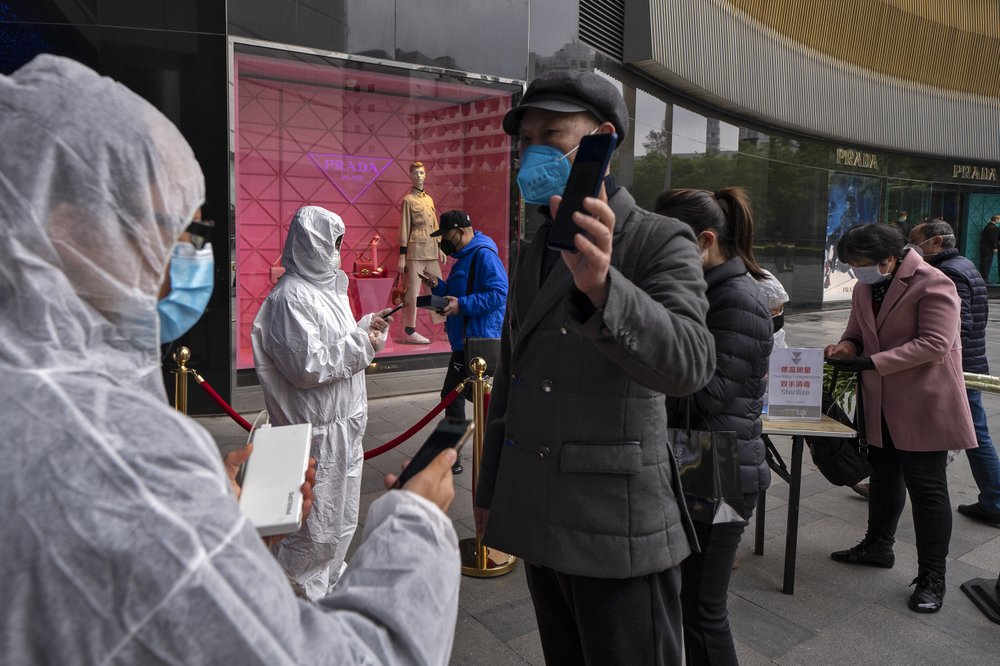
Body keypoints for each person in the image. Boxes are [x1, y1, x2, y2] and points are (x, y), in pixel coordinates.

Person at [0, 54, 461, 664]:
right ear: (64, 225)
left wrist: (221, 521)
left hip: (342, 429)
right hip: (320, 430)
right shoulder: (113, 449)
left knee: (331, 537)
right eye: (172, 230)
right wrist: (418, 526)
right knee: (314, 543)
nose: (188, 257)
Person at [473, 69, 716, 664]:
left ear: (603, 139)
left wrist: (606, 288)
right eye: (525, 138)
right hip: (538, 517)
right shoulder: (533, 248)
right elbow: (513, 378)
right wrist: (490, 490)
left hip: (618, 529)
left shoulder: (659, 238)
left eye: (553, 133)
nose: (534, 152)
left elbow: (691, 361)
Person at [824, 224, 976, 614]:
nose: (856, 272)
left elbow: (936, 343)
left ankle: (931, 578)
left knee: (927, 489)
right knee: (885, 476)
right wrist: (845, 347)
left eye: (860, 264)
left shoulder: (933, 282)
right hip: (880, 401)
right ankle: (878, 545)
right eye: (852, 265)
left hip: (924, 400)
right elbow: (857, 330)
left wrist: (873, 362)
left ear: (888, 258)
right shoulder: (864, 287)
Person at [655, 187, 773, 666]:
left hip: (717, 464)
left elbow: (708, 393)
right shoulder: (707, 289)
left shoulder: (737, 299)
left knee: (702, 610)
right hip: (693, 453)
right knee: (685, 603)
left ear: (704, 241)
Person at [252, 205, 395, 600]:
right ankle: (298, 602)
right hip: (314, 436)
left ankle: (328, 587)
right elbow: (307, 366)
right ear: (311, 244)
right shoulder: (290, 298)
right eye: (332, 243)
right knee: (311, 531)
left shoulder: (327, 290)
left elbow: (339, 345)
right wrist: (360, 343)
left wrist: (366, 329)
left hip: (343, 426)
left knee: (341, 521)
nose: (337, 251)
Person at [909, 220, 1000, 526]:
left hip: (957, 367)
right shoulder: (965, 265)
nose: (911, 248)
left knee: (973, 433)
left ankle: (996, 498)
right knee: (973, 432)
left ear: (935, 242)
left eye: (915, 241)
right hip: (969, 361)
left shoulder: (948, 272)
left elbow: (956, 325)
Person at [419, 209, 508, 473]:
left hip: (477, 338)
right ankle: (462, 452)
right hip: (465, 339)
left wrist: (463, 305)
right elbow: (459, 293)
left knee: (452, 396)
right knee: (465, 395)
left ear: (459, 230)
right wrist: (438, 285)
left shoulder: (483, 255)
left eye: (445, 233)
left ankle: (451, 456)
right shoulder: (465, 257)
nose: (442, 239)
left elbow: (499, 293)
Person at [396, 161, 445, 344]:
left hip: (431, 250)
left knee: (437, 288)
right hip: (415, 252)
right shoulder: (408, 201)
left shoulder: (429, 199)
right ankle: (409, 330)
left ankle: (443, 327)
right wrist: (402, 255)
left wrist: (441, 247)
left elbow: (435, 225)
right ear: (411, 176)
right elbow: (404, 228)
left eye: (421, 172)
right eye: (415, 173)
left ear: (425, 175)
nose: (418, 176)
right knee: (412, 293)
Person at [978, 214, 1000, 282]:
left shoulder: (987, 226)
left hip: (984, 249)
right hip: (988, 249)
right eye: (999, 219)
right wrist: (995, 247)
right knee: (987, 264)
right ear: (996, 219)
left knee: (984, 263)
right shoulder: (993, 228)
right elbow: (993, 239)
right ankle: (985, 279)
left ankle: (983, 278)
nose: (999, 221)